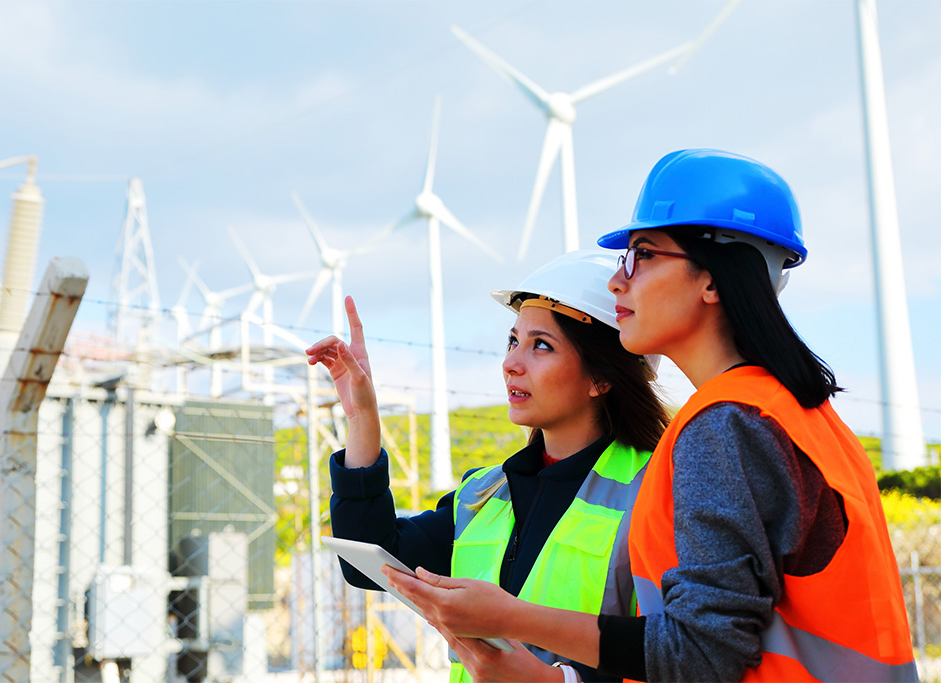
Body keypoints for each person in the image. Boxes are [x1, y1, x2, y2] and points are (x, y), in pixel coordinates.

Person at [386, 149, 918, 681]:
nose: (619, 281)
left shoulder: (725, 425)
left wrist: (512, 617)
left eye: (643, 254)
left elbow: (704, 652)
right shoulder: (796, 412)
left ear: (712, 280)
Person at [306, 250, 670, 683]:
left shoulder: (657, 490)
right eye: (514, 341)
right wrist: (362, 420)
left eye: (541, 346)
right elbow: (369, 560)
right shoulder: (482, 494)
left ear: (601, 378)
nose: (511, 363)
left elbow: (679, 655)